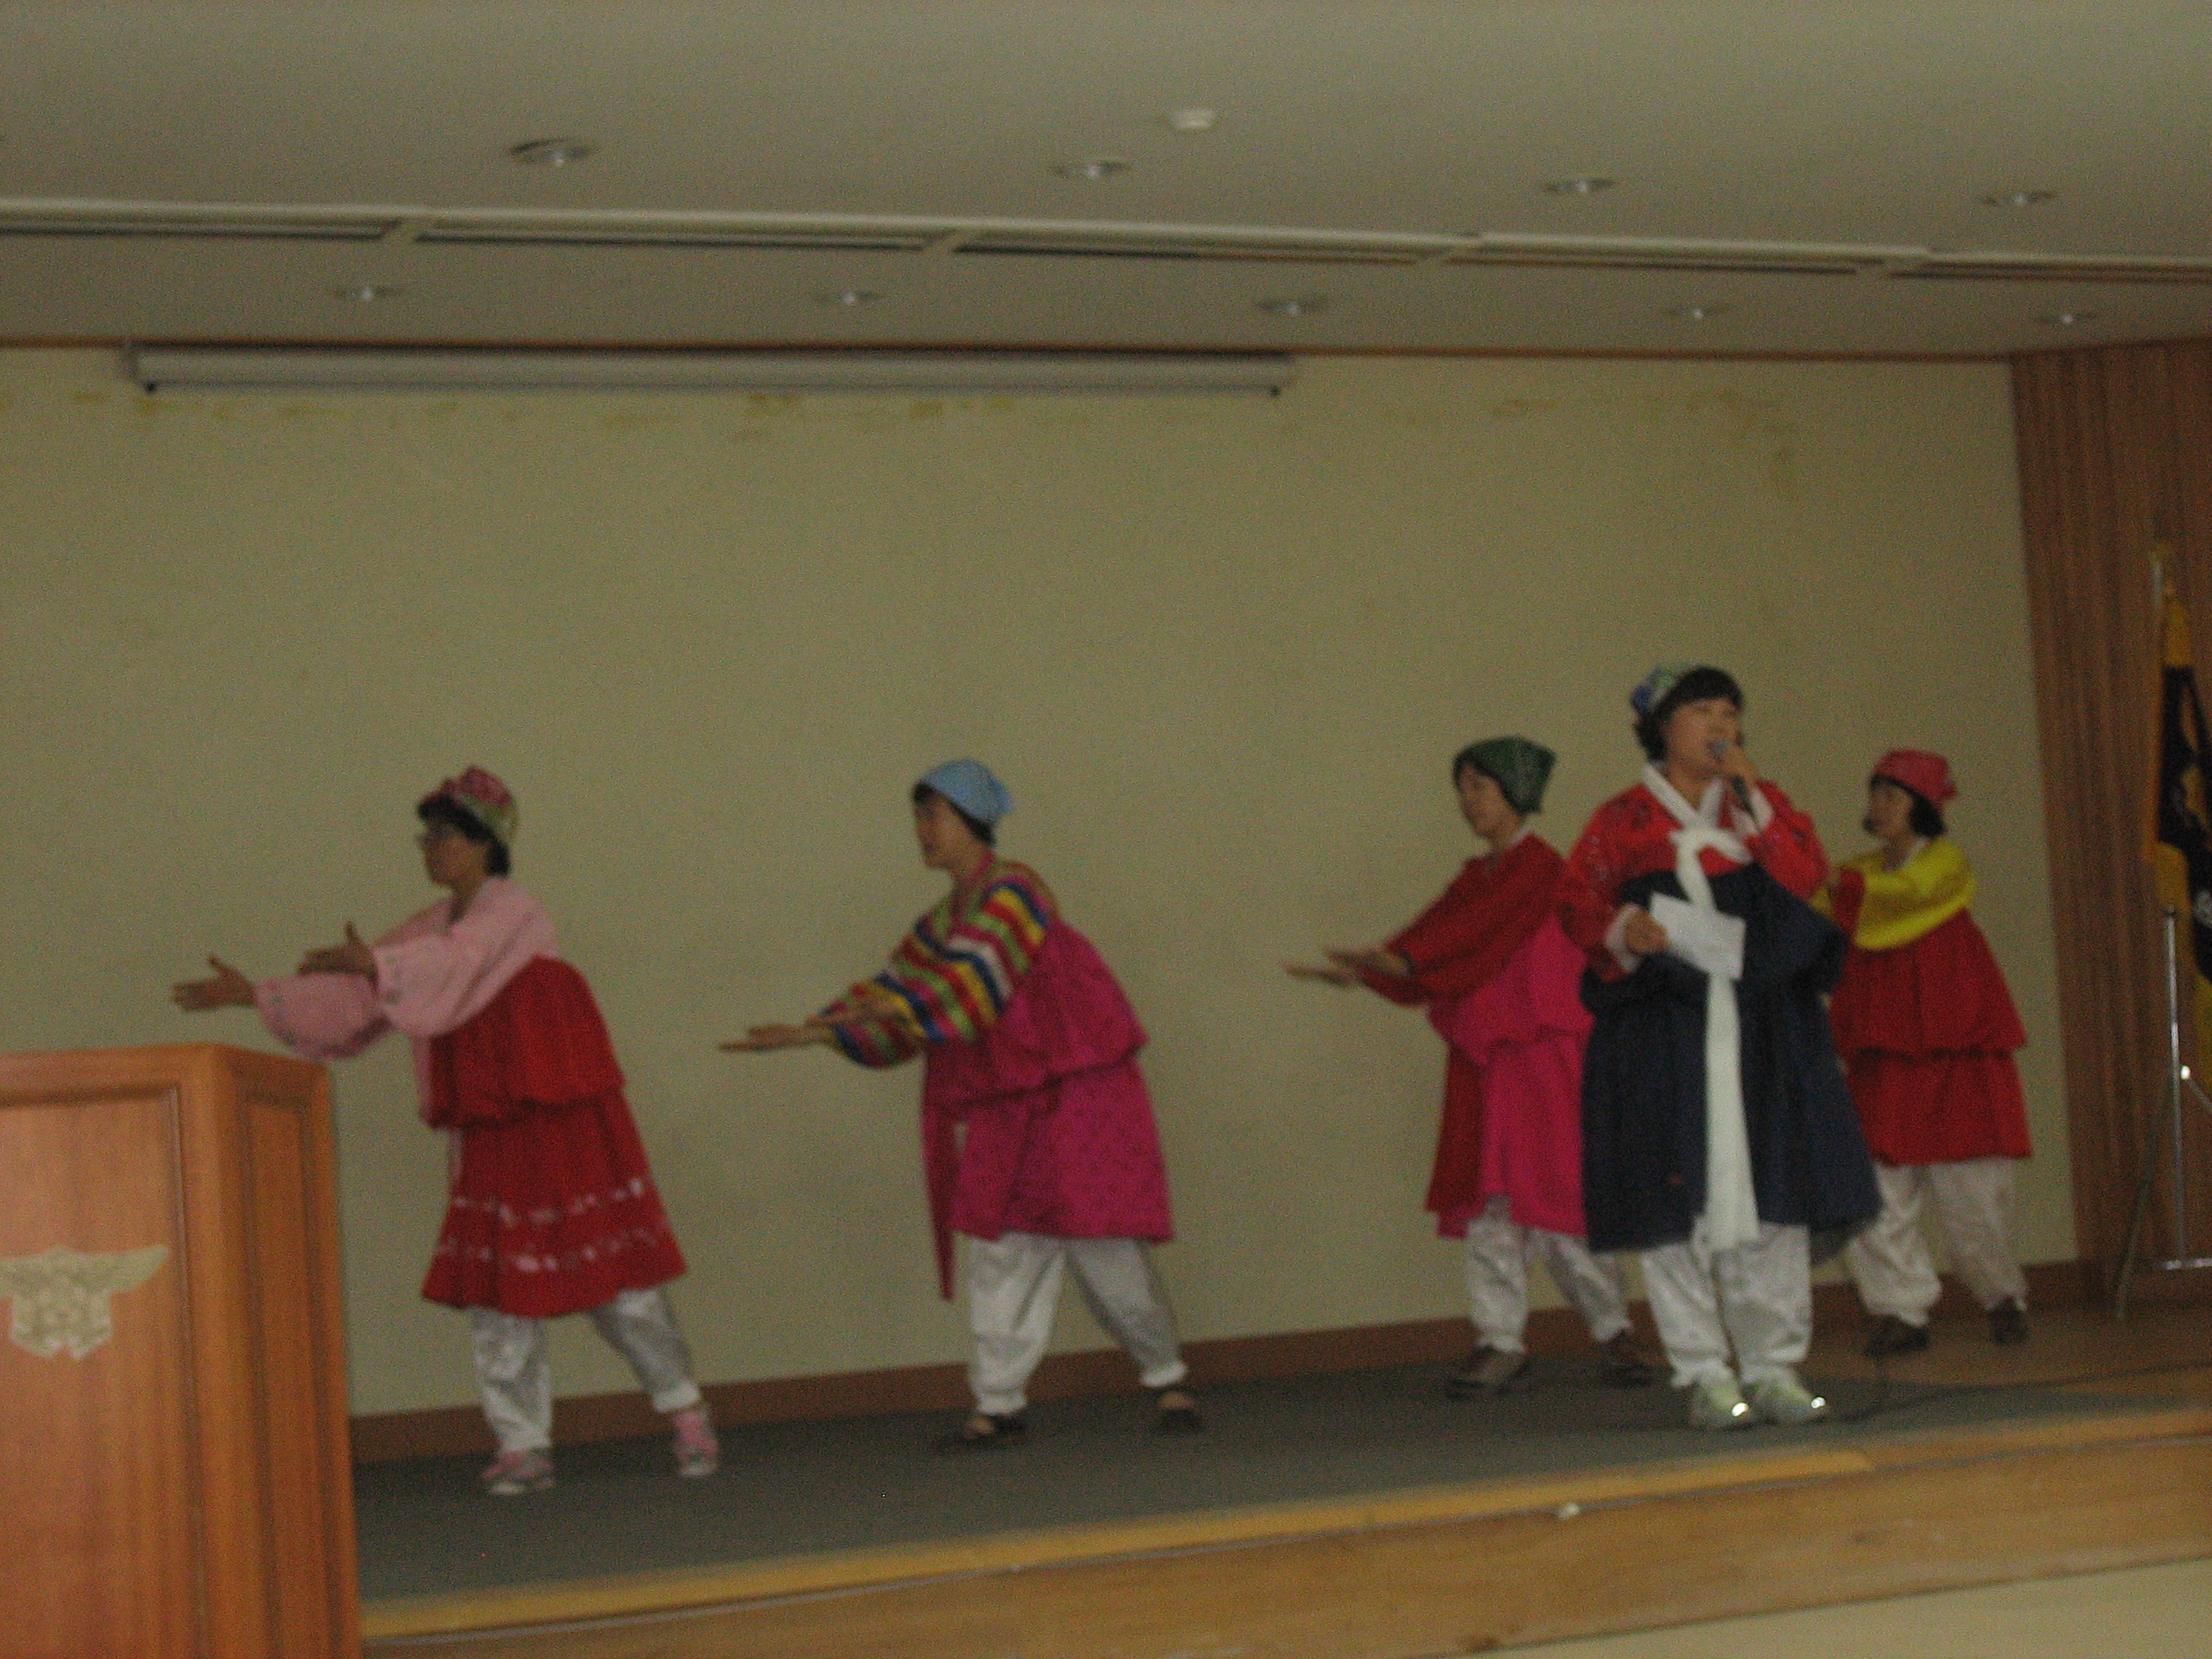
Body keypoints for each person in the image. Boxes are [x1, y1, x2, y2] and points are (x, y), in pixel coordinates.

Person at [172, 767, 716, 1494]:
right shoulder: (429, 927)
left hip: (557, 1116)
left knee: (615, 1283)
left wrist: (378, 964)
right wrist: (258, 995)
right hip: (488, 1121)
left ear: (486, 844)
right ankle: (522, 1443)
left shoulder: (514, 911)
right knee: (498, 1289)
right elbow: (365, 993)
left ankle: (685, 1412)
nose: (431, 848)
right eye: (426, 836)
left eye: (445, 836)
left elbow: (454, 962)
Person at [725, 760, 1196, 1452]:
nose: (922, 830)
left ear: (973, 821)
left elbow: (968, 987)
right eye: (917, 816)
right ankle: (998, 1404)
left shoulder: (1016, 892)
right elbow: (900, 991)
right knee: (1000, 1248)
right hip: (1005, 1098)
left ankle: (1166, 1376)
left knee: (1103, 1245)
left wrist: (891, 1010)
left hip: (1075, 1090)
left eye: (933, 815)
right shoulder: (942, 922)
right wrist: (815, 1032)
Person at [1561, 665, 1879, 1430]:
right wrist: (1624, 928)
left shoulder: (1760, 805)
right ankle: (1703, 1371)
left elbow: (1804, 873)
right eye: (1702, 709)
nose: (1720, 723)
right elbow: (1577, 901)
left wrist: (1751, 793)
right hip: (1663, 1026)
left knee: (1772, 1191)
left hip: (1763, 1023)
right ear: (1661, 726)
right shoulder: (1620, 819)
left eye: (1730, 711)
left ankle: (1774, 1365)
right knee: (1676, 1197)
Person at [1289, 737, 1655, 1394]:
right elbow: (1435, 938)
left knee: (1557, 1203)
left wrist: (1396, 962)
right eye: (1462, 788)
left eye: (1479, 786)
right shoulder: (1479, 876)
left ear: (1515, 791)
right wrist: (1372, 970)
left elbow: (1459, 939)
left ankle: (1613, 1333)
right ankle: (1500, 1340)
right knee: (1492, 1207)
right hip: (1487, 1060)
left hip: (1542, 1056)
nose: (1467, 801)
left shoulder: (1540, 869)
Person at [1818, 750, 2032, 1354]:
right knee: (1878, 1186)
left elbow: (1904, 894)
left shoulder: (1944, 864)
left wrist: (1839, 886)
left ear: (1924, 807)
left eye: (1894, 795)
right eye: (1876, 794)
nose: (1880, 806)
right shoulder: (1859, 872)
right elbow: (1827, 909)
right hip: (1884, 1044)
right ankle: (1900, 1309)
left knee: (1973, 1192)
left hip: (1954, 1040)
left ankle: (2001, 1295)